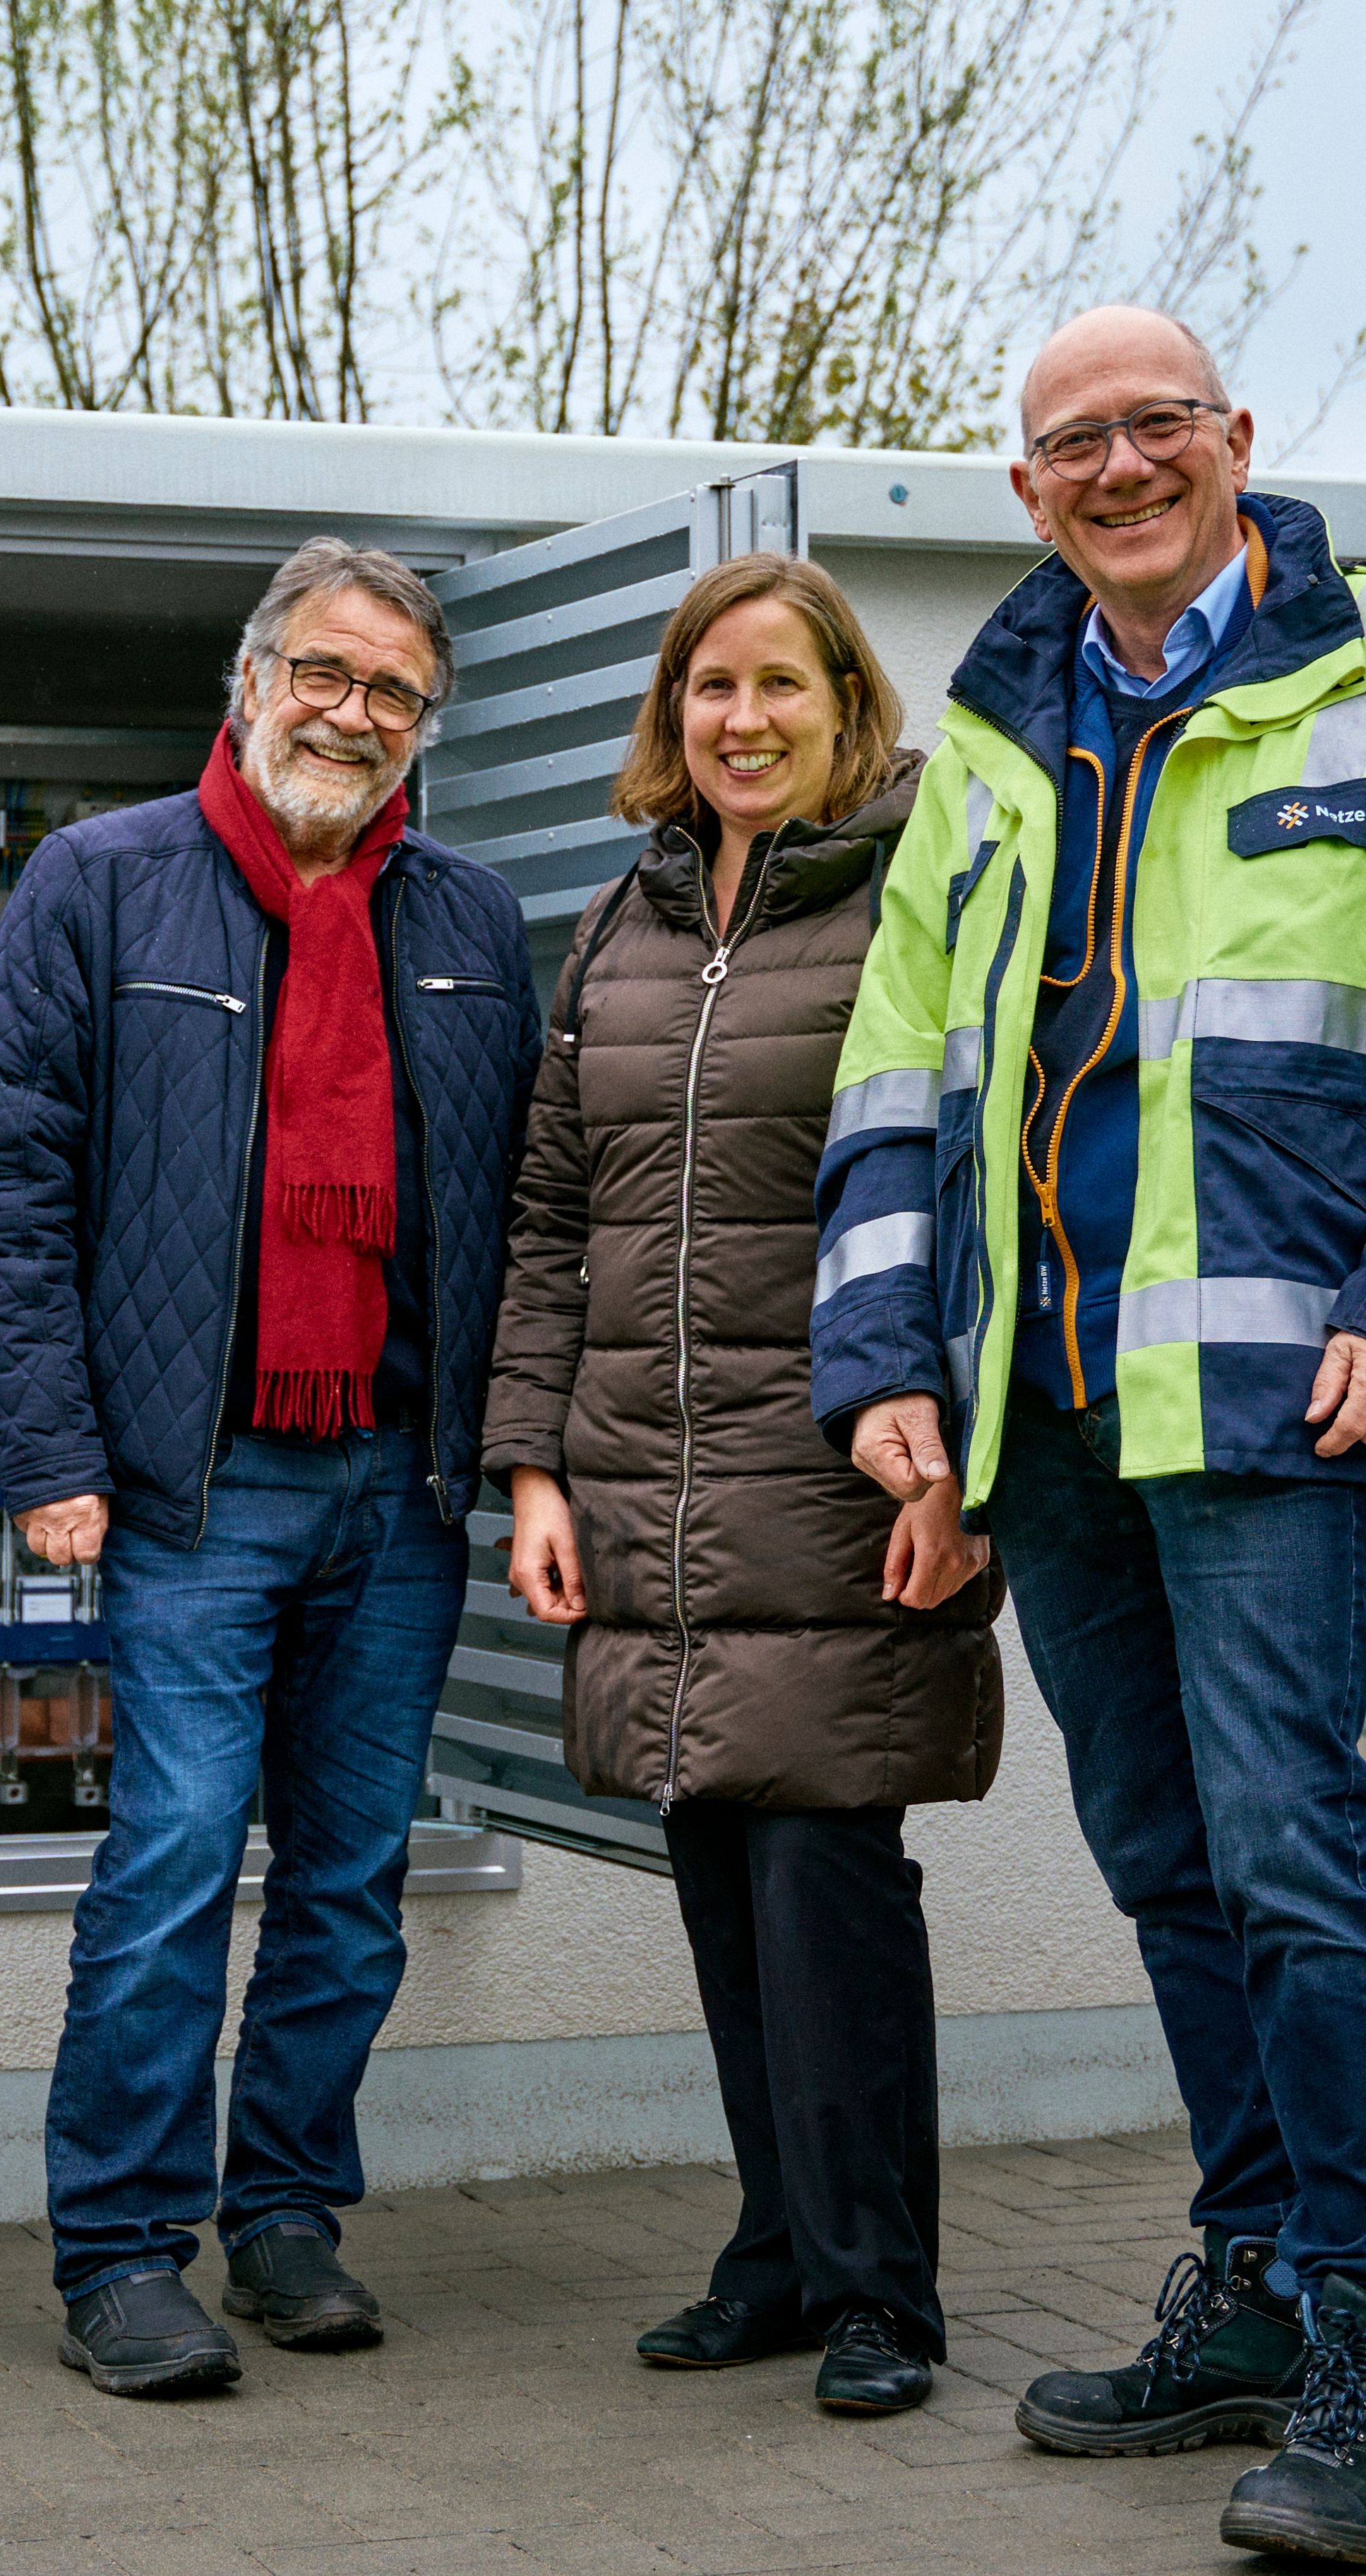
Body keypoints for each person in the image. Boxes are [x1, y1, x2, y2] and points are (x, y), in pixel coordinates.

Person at [810, 306, 1366, 2565]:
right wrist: (885, 1371)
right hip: (1045, 1418)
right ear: (1024, 491)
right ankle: (1258, 2285)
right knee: (1166, 1867)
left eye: (1158, 424)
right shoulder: (985, 734)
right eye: (1074, 441)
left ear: (1236, 441)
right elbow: (892, 1094)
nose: (1121, 464)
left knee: (1289, 1861)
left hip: (1276, 1397)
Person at [0, 538, 542, 2399]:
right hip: (191, 1488)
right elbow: (8, 1186)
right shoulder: (100, 885)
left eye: (393, 694)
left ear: (421, 728)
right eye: (326, 673)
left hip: (396, 1481)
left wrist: (515, 1459)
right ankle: (121, 2251)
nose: (353, 715)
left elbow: (527, 1219)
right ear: (249, 677)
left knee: (351, 1874)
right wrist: (50, 1448)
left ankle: (285, 2214)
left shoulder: (468, 924)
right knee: (179, 1853)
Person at [481, 554, 1006, 2421]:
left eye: (782, 685)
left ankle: (881, 2292)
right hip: (644, 1479)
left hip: (846, 1467)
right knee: (713, 1857)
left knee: (823, 1869)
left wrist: (965, 1462)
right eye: (711, 688)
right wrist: (530, 1463)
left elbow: (974, 1207)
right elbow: (550, 1216)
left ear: (845, 705)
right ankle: (777, 2253)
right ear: (669, 716)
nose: (745, 720)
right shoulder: (618, 933)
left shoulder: (914, 906)